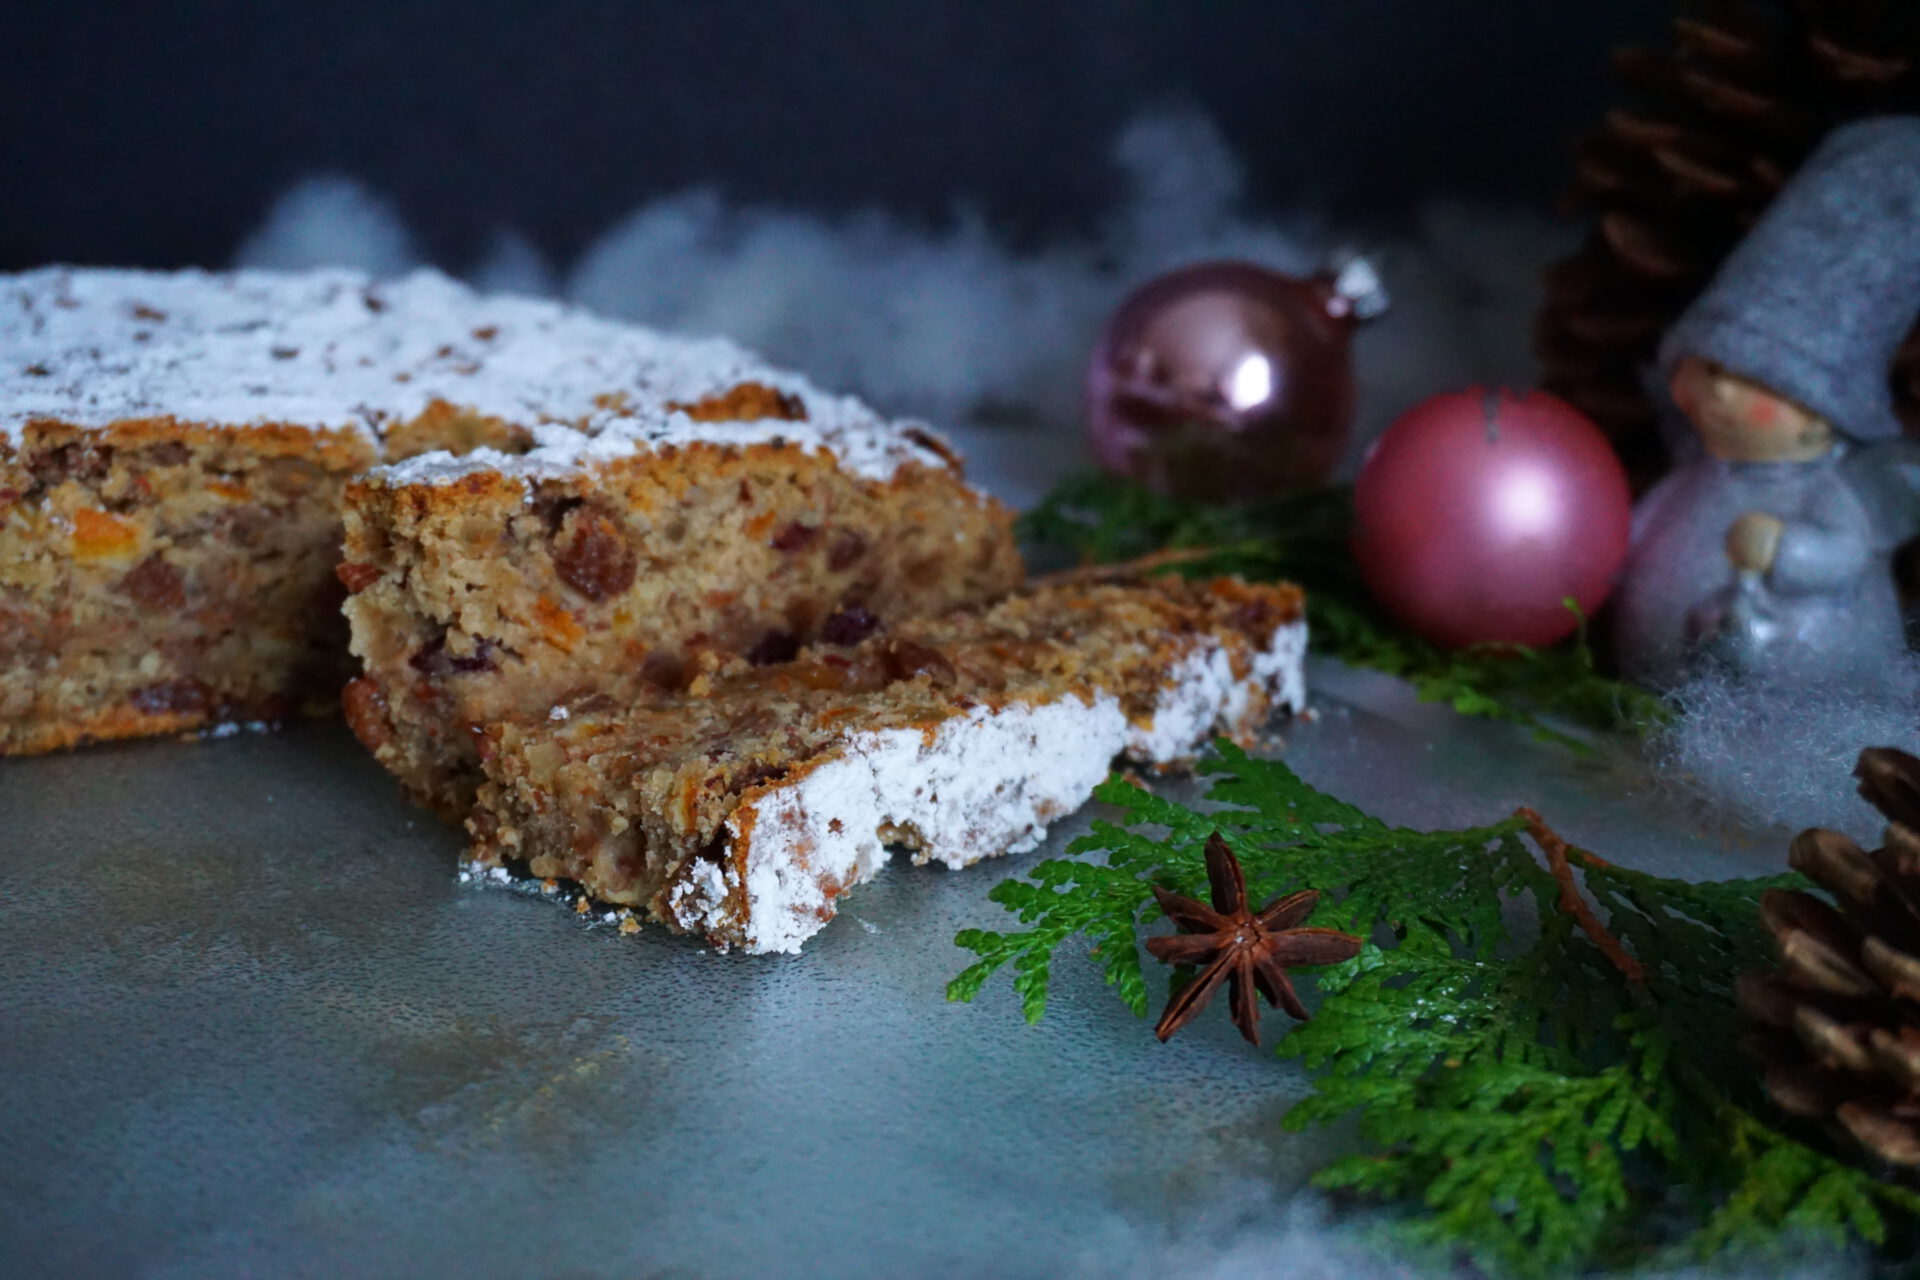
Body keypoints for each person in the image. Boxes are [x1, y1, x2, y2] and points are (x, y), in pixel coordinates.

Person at [1613, 117, 1920, 689]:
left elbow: (1844, 555)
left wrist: (1786, 550)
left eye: (1755, 382)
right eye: (1709, 368)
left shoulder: (1831, 492)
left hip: (1799, 693)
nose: (1722, 392)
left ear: (1820, 418)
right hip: (1648, 680)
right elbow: (1638, 527)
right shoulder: (1693, 475)